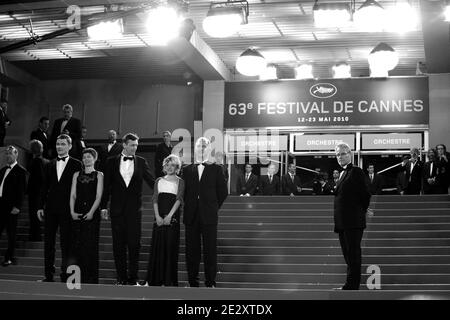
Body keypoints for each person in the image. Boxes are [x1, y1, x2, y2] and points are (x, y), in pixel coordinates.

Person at [100, 133, 155, 286]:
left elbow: (152, 182)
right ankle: (121, 278)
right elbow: (106, 186)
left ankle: (133, 278)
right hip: (117, 210)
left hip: (134, 211)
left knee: (134, 245)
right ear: (124, 145)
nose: (135, 148)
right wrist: (103, 206)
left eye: (136, 145)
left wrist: (169, 182)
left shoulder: (142, 162)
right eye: (132, 145)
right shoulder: (111, 161)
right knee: (118, 246)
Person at [182, 137, 228, 287]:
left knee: (210, 250)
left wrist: (212, 206)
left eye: (204, 146)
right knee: (191, 251)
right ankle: (192, 282)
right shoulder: (187, 169)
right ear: (195, 149)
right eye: (199, 146)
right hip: (191, 216)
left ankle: (210, 282)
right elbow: (183, 192)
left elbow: (222, 192)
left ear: (209, 149)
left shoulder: (216, 168)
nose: (201, 148)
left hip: (209, 215)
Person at [37, 134, 82, 282]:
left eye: (63, 144)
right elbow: (44, 186)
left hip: (68, 209)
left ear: (69, 146)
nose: (59, 147)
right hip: (50, 208)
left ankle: (66, 275)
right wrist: (40, 206)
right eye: (57, 144)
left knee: (67, 243)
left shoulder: (77, 164)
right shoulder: (49, 164)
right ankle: (48, 275)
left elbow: (80, 189)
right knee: (48, 243)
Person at [333, 143, 371, 290]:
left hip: (353, 221)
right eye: (337, 154)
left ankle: (352, 286)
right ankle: (350, 284)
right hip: (343, 222)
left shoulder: (356, 171)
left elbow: (365, 194)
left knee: (353, 254)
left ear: (350, 154)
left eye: (343, 153)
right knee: (347, 255)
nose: (340, 157)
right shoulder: (343, 173)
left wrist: (361, 210)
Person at [146, 154, 184, 286]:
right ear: (164, 166)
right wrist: (157, 216)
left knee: (170, 247)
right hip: (158, 218)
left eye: (172, 165)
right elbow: (155, 199)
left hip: (172, 218)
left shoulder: (180, 181)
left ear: (177, 167)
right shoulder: (158, 181)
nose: (169, 167)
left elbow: (179, 199)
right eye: (167, 164)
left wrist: (169, 216)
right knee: (158, 247)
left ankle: (169, 280)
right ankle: (156, 280)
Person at [69, 148, 103, 284]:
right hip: (77, 212)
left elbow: (98, 196)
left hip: (92, 214)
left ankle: (91, 280)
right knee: (77, 246)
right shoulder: (76, 174)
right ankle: (77, 280)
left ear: (94, 158)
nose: (86, 159)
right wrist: (72, 211)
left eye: (89, 157)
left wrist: (91, 212)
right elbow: (72, 195)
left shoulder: (99, 175)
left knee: (91, 246)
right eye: (84, 157)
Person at [0, 146, 27, 266]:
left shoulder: (21, 171)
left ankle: (8, 258)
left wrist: (17, 206)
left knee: (11, 234)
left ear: (16, 155)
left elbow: (21, 191)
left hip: (12, 208)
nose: (8, 155)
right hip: (0, 206)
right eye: (6, 153)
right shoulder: (2, 170)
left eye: (10, 153)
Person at [27, 140, 49, 241]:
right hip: (42, 193)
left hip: (36, 193)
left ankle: (35, 236)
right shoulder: (46, 162)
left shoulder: (36, 162)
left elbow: (37, 179)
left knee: (34, 215)